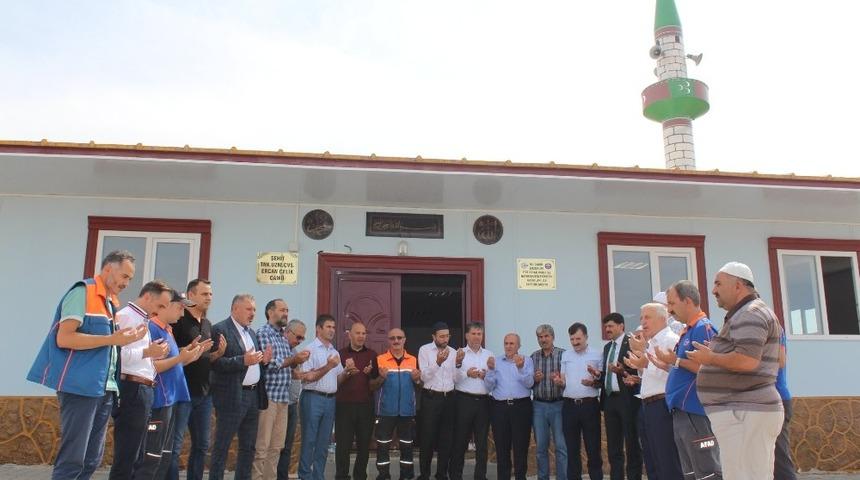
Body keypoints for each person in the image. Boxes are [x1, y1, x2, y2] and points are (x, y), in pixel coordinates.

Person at [27, 250, 145, 480]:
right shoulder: (82, 292)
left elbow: (106, 345)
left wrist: (126, 339)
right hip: (80, 388)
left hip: (105, 389)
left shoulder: (110, 302)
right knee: (73, 459)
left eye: (130, 279)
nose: (126, 283)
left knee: (92, 459)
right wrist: (113, 339)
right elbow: (65, 338)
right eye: (124, 276)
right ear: (108, 268)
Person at [690, 262, 784, 480]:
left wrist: (710, 358)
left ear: (738, 285)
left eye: (718, 283)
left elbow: (747, 361)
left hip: (747, 411)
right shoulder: (744, 314)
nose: (713, 290)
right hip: (743, 411)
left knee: (751, 475)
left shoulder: (750, 313)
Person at [134, 290, 207, 480]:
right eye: (180, 308)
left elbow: (173, 361)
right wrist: (180, 358)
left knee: (163, 457)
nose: (182, 314)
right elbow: (151, 366)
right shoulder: (152, 328)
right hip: (159, 401)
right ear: (166, 305)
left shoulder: (167, 329)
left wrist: (188, 355)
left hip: (171, 400)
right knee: (151, 458)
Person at [654, 280, 722, 480]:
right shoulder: (687, 330)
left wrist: (675, 360)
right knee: (691, 473)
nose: (670, 310)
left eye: (673, 304)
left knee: (707, 471)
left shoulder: (703, 328)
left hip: (695, 412)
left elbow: (709, 369)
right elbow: (684, 366)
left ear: (688, 301)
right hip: (682, 412)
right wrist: (667, 364)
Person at [109, 280, 173, 480]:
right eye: (160, 305)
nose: (161, 311)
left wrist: (152, 353)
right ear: (147, 297)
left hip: (143, 389)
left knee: (137, 455)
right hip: (132, 388)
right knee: (127, 456)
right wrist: (148, 351)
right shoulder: (127, 316)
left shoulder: (142, 319)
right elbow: (117, 356)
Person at [209, 294, 273, 480]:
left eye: (254, 309)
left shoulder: (251, 333)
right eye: (248, 309)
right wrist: (241, 360)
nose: (252, 313)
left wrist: (264, 361)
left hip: (253, 397)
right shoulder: (220, 330)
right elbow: (214, 364)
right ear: (235, 309)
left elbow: (252, 363)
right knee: (222, 446)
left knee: (248, 447)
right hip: (231, 396)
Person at [169, 278, 225, 480]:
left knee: (202, 445)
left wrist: (217, 355)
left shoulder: (207, 324)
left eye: (210, 294)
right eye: (204, 294)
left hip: (204, 394)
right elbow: (170, 354)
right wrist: (188, 350)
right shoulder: (178, 321)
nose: (209, 297)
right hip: (182, 393)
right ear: (191, 295)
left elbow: (203, 358)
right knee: (174, 446)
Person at [623, 303, 683, 480]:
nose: (643, 322)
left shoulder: (671, 340)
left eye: (647, 317)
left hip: (662, 404)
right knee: (652, 460)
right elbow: (650, 375)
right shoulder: (650, 344)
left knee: (667, 459)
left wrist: (645, 361)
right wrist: (639, 366)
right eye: (641, 318)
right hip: (647, 405)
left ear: (662, 318)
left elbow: (672, 373)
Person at [255, 300, 310, 480]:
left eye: (287, 310)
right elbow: (270, 365)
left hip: (283, 399)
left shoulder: (281, 337)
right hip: (269, 398)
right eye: (282, 310)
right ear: (270, 312)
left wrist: (298, 372)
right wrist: (294, 361)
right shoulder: (264, 333)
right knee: (262, 447)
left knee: (276, 448)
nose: (286, 313)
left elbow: (286, 368)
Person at [299, 314, 348, 480]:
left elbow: (338, 379)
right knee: (309, 440)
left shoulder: (334, 352)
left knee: (323, 443)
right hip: (312, 397)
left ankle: (318, 476)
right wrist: (328, 366)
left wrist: (347, 372)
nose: (332, 330)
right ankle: (305, 476)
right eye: (328, 327)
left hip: (330, 400)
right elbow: (307, 377)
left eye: (333, 327)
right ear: (318, 328)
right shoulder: (309, 350)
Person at [594, 313, 642, 480]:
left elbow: (638, 371)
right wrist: (597, 375)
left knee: (631, 443)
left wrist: (623, 371)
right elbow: (608, 375)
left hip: (627, 399)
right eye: (606, 327)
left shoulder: (632, 344)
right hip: (609, 400)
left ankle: (634, 476)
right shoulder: (608, 347)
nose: (607, 329)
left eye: (611, 326)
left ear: (621, 326)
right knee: (614, 446)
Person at [484, 333, 534, 480]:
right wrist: (491, 370)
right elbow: (488, 387)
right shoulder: (496, 361)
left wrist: (521, 368)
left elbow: (530, 384)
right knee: (502, 448)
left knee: (521, 447)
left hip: (521, 407)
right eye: (506, 343)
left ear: (519, 346)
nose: (508, 346)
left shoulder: (527, 361)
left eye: (512, 343)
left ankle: (520, 477)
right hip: (500, 408)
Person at [374, 328, 421, 480]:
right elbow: (373, 385)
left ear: (404, 340)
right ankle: (383, 476)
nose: (396, 341)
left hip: (407, 411)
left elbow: (419, 385)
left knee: (407, 447)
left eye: (399, 338)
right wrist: (381, 378)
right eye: (392, 338)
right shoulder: (380, 359)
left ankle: (406, 476)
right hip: (386, 410)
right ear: (388, 340)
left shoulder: (413, 360)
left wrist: (417, 380)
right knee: (382, 446)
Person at [558, 323, 603, 480]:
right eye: (572, 339)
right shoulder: (566, 356)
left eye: (578, 338)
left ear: (586, 337)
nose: (575, 342)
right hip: (569, 406)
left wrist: (593, 381)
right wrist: (559, 382)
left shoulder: (597, 354)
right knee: (571, 449)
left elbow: (601, 381)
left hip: (589, 406)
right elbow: (563, 381)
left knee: (593, 448)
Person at [335, 322, 380, 480]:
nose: (361, 336)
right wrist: (346, 373)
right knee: (343, 446)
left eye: (363, 333)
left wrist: (370, 374)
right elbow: (334, 381)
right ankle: (341, 476)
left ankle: (360, 476)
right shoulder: (339, 354)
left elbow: (376, 382)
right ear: (349, 335)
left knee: (364, 446)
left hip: (365, 406)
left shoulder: (373, 355)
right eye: (357, 333)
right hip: (344, 406)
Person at [449, 323, 492, 480]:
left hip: (483, 402)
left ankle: (480, 476)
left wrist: (487, 376)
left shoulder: (489, 355)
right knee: (460, 440)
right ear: (467, 335)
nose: (476, 336)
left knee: (482, 444)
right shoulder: (459, 354)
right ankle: (455, 475)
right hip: (463, 400)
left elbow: (494, 381)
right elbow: (454, 378)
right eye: (473, 333)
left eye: (479, 333)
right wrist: (466, 373)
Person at [417, 322, 457, 480]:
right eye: (441, 336)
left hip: (449, 398)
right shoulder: (424, 350)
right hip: (431, 398)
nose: (445, 339)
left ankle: (442, 474)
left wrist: (459, 364)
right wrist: (438, 363)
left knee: (446, 439)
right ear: (434, 336)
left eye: (447, 336)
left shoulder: (453, 352)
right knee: (427, 437)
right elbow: (424, 376)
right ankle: (424, 474)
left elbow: (456, 378)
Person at [530, 324, 567, 480]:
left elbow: (569, 381)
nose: (543, 339)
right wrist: (534, 379)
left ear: (553, 337)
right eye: (540, 337)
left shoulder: (563, 355)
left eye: (546, 336)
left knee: (560, 447)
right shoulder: (533, 357)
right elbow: (527, 382)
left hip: (559, 404)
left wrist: (561, 383)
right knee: (541, 448)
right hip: (538, 406)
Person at [277, 319, 309, 480]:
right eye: (298, 337)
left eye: (302, 338)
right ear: (287, 332)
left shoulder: (295, 353)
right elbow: (274, 369)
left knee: (287, 447)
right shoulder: (280, 349)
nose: (299, 341)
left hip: (292, 404)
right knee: (275, 446)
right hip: (278, 404)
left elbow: (297, 376)